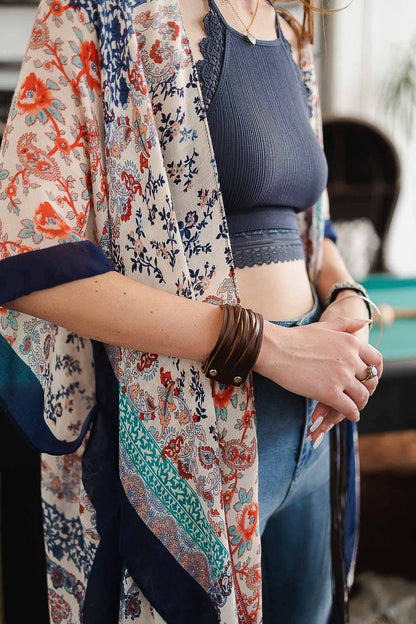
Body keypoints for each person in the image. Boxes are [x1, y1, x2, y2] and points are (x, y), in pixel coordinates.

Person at [0, 0, 383, 622]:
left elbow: (315, 227)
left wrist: (347, 297)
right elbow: (25, 255)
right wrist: (266, 346)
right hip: (193, 428)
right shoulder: (96, 18)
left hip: (314, 419)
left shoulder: (289, 33)